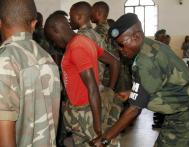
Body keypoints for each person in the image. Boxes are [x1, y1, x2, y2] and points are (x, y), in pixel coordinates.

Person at [90, 13, 189, 147]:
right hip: (179, 110)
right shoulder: (148, 46)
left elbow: (134, 110)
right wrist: (133, 92)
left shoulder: (146, 60)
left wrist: (105, 139)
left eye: (121, 45)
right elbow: (159, 81)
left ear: (136, 37)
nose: (120, 50)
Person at [44, 13, 120, 147]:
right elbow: (114, 62)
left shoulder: (76, 47)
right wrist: (110, 90)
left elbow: (92, 88)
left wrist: (97, 128)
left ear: (56, 30)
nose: (54, 43)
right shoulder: (83, 41)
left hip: (87, 113)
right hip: (84, 112)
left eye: (52, 39)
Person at [0, 0, 61, 147]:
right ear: (34, 24)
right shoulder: (47, 57)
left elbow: (4, 128)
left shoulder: (5, 60)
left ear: (0, 23)